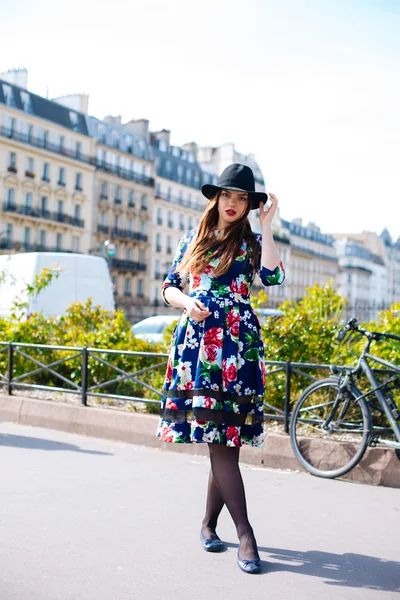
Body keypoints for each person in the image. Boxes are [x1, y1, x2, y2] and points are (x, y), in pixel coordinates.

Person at [157, 163, 285, 574]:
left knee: (225, 441)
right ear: (216, 197)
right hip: (197, 346)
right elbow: (168, 286)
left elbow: (274, 276)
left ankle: (209, 524)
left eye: (242, 198)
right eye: (228, 195)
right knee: (220, 444)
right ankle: (245, 534)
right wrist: (185, 302)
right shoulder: (192, 239)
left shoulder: (250, 242)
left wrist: (266, 227)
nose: (233, 204)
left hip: (237, 346)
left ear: (250, 204)